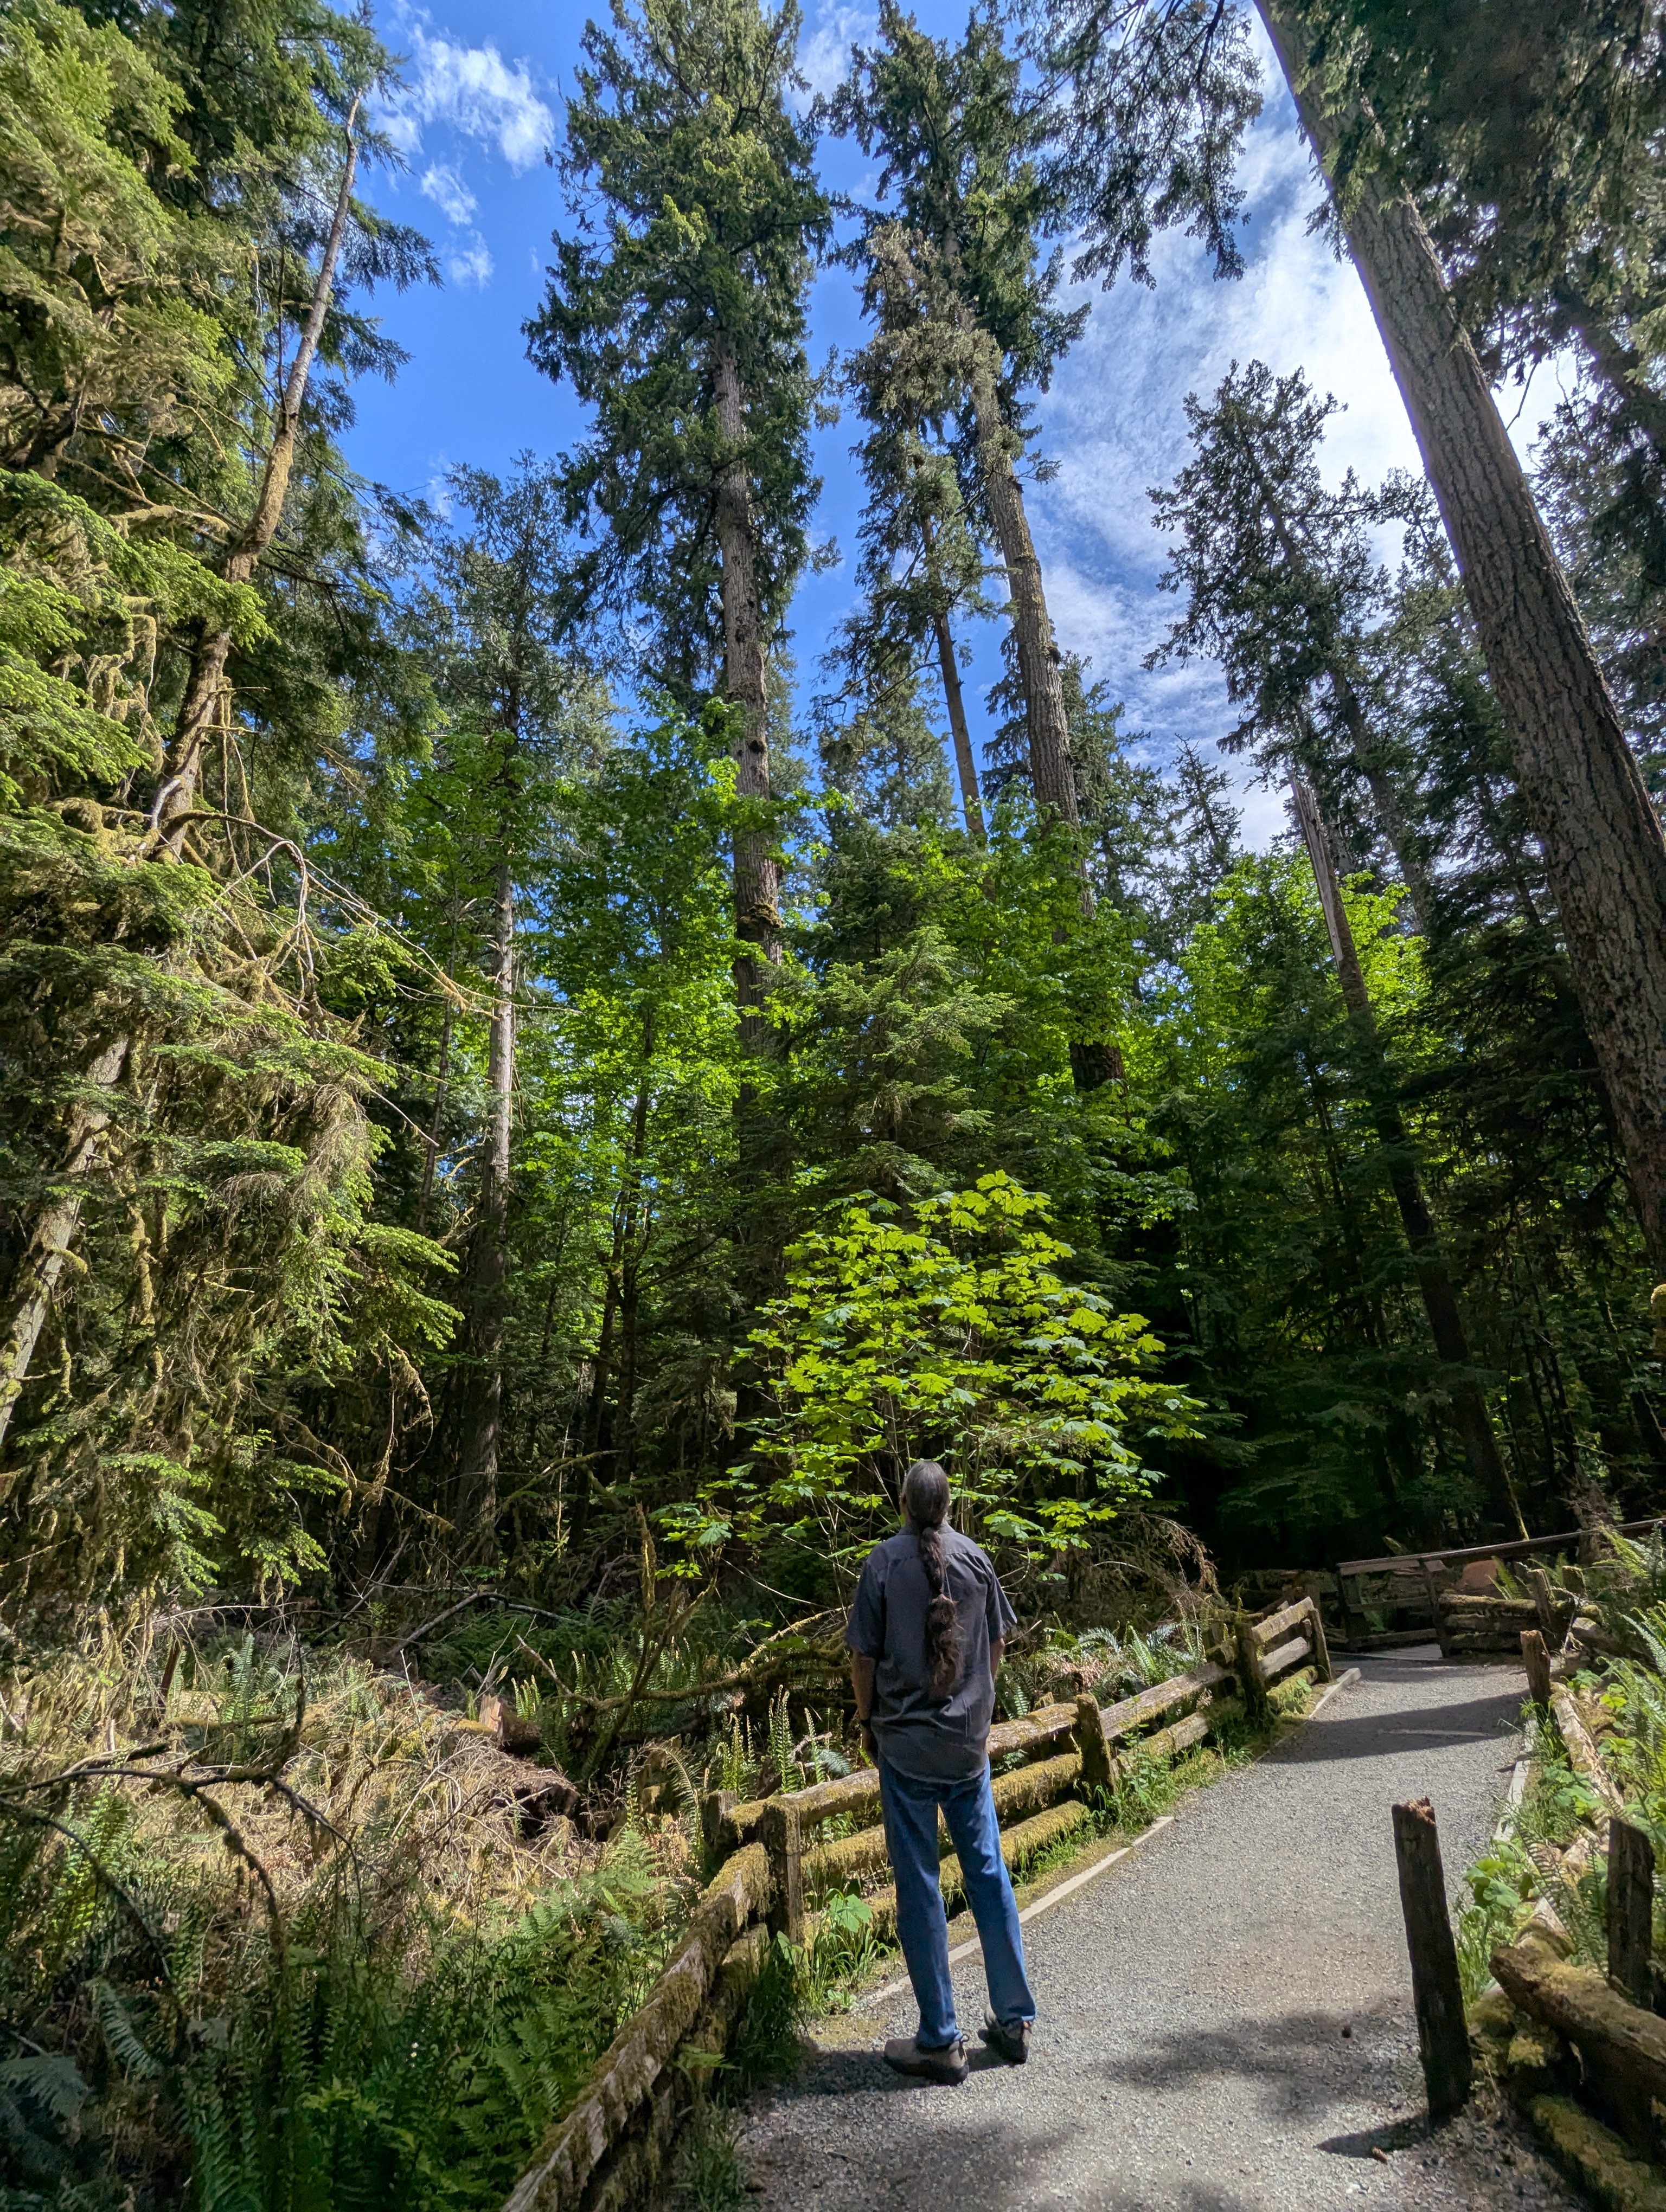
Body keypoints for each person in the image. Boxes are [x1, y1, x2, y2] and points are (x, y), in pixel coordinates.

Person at [846, 1459, 1035, 2086]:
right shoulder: (978, 1561)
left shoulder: (881, 1564)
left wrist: (867, 1721)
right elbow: (998, 1642)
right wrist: (978, 1707)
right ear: (950, 1505)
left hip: (904, 1748)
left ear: (903, 1503)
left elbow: (863, 1657)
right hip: (966, 1748)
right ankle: (1014, 2022)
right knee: (987, 1871)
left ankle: (940, 2039)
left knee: (921, 1883)